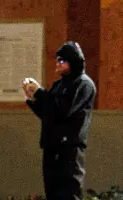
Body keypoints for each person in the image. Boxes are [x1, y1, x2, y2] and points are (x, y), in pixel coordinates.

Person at [22, 41, 96, 200]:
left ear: (73, 61)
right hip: (52, 148)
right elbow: (49, 113)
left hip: (69, 151)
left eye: (61, 60)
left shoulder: (83, 84)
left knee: (68, 194)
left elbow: (64, 110)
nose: (57, 63)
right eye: (56, 60)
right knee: (53, 194)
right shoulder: (59, 84)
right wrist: (32, 99)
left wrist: (40, 92)